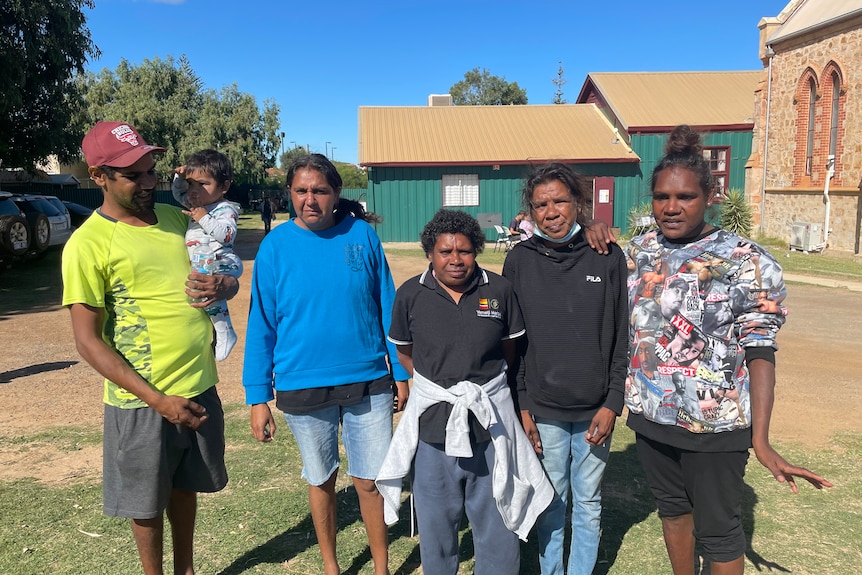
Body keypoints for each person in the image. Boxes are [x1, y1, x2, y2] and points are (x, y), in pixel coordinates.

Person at [623, 124, 832, 575]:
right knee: (673, 513)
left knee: (718, 532)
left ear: (710, 197)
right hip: (651, 415)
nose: (671, 207)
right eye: (662, 197)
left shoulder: (746, 260)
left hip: (715, 425)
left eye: (685, 197)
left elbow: (760, 349)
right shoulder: (639, 251)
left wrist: (760, 437)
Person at [62, 121, 239, 575]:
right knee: (146, 502)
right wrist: (158, 401)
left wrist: (225, 284)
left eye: (150, 171)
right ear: (98, 175)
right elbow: (87, 340)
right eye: (132, 175)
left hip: (198, 386)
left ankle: (186, 570)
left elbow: (225, 277)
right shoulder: (87, 245)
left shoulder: (179, 220)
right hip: (143, 401)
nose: (147, 182)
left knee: (184, 488)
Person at [242, 153, 409, 575]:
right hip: (302, 383)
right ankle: (332, 567)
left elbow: (387, 305)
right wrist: (257, 396)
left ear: (336, 194)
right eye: (301, 190)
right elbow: (261, 322)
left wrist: (402, 371)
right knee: (321, 480)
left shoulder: (362, 237)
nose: (310, 199)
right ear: (289, 194)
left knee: (370, 482)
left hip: (369, 380)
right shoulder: (275, 247)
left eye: (320, 190)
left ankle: (381, 568)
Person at [376, 209, 553, 575]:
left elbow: (509, 353)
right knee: (437, 527)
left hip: (491, 429)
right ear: (430, 253)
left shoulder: (499, 291)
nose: (456, 260)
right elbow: (406, 355)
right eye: (445, 251)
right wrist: (444, 389)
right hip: (433, 430)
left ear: (477, 251)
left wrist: (476, 388)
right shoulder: (411, 294)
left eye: (465, 251)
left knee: (497, 523)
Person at [501, 163, 629, 575]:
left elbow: (621, 337)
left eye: (560, 200)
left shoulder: (606, 255)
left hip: (596, 408)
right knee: (552, 498)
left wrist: (612, 401)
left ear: (578, 203)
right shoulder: (519, 261)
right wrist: (523, 406)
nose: (551, 211)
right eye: (541, 204)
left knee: (587, 501)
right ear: (530, 211)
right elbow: (513, 344)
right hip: (544, 407)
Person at [172, 149, 243, 361]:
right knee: (200, 289)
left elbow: (227, 236)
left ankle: (225, 332)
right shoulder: (196, 204)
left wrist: (203, 217)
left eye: (202, 184)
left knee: (207, 287)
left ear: (224, 186)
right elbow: (177, 194)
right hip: (205, 263)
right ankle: (219, 331)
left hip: (224, 261)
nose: (195, 190)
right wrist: (178, 178)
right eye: (191, 184)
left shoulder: (224, 208)